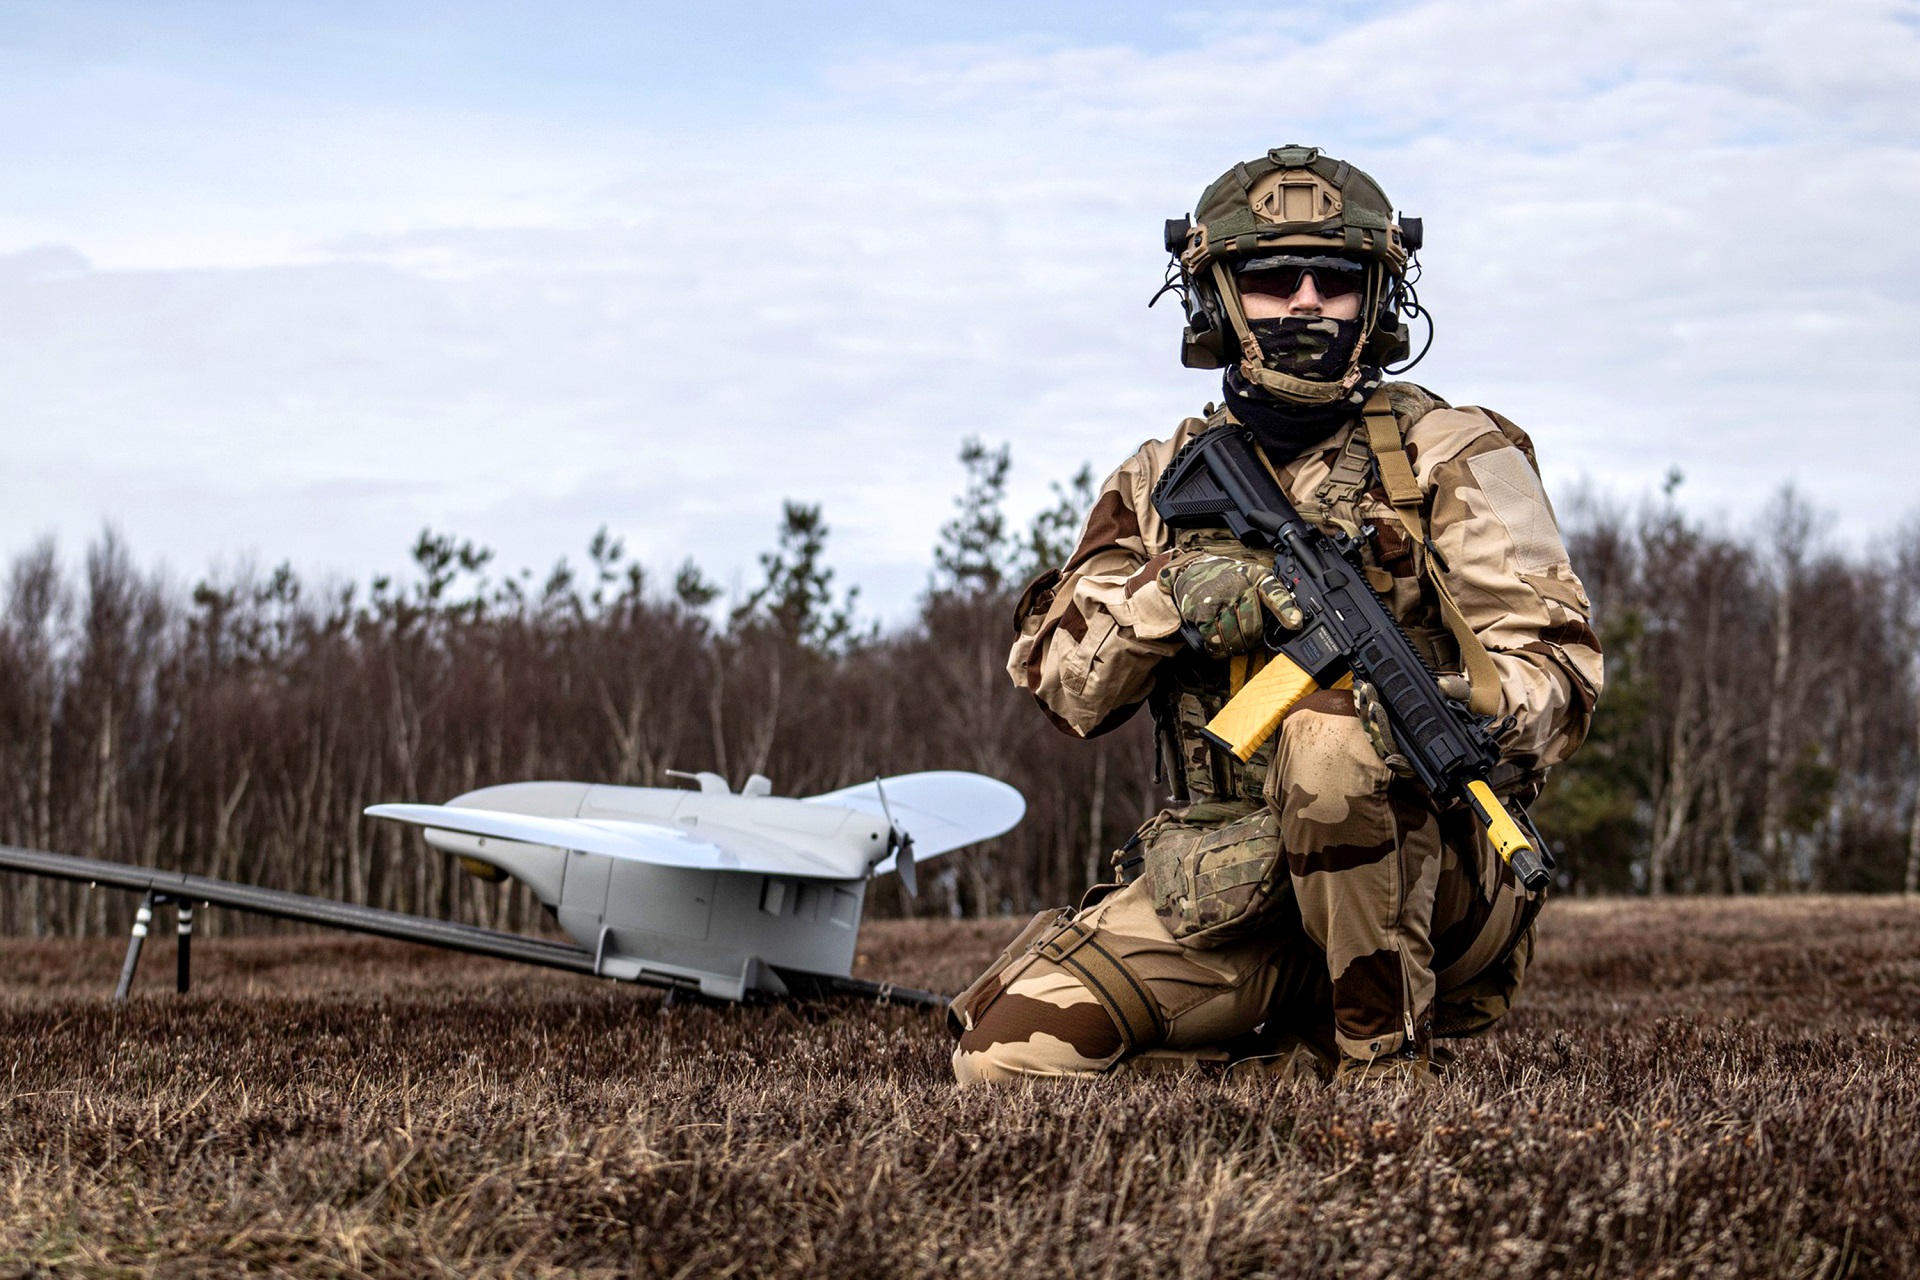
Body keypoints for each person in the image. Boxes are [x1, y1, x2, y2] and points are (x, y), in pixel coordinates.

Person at [949, 146, 1603, 1086]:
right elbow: (1063, 689)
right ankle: (1275, 1039)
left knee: (1331, 748)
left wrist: (1455, 707)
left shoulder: (1453, 452)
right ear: (1216, 296)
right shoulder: (1160, 478)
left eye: (1335, 280)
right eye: (1270, 279)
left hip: (1430, 868)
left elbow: (1562, 674)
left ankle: (1383, 1066)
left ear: (1377, 301)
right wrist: (1170, 596)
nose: (1305, 302)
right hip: (1231, 875)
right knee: (1002, 1061)